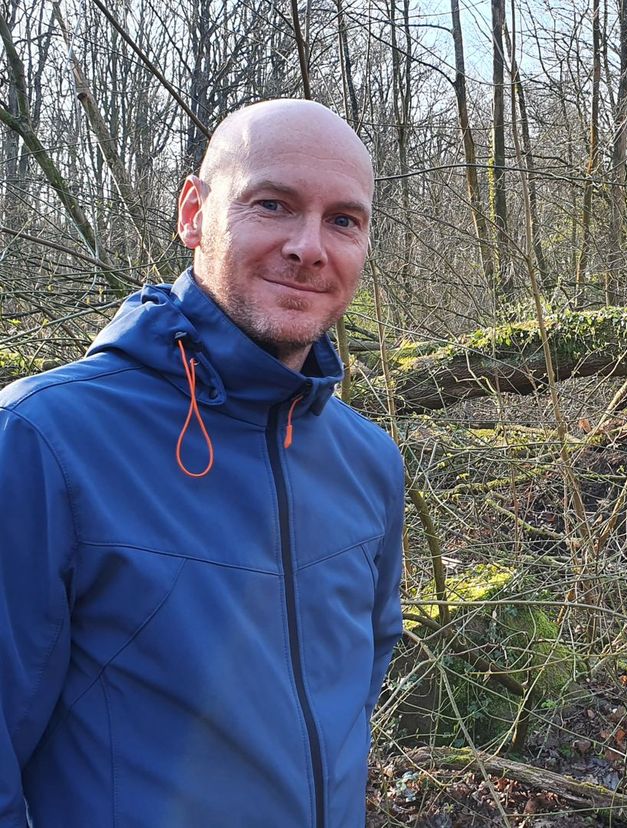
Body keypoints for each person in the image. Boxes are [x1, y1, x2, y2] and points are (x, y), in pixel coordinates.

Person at [0, 99, 405, 827]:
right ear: (193, 211)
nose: (309, 247)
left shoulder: (368, 462)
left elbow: (352, 699)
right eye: (273, 204)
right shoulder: (42, 441)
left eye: (343, 220)